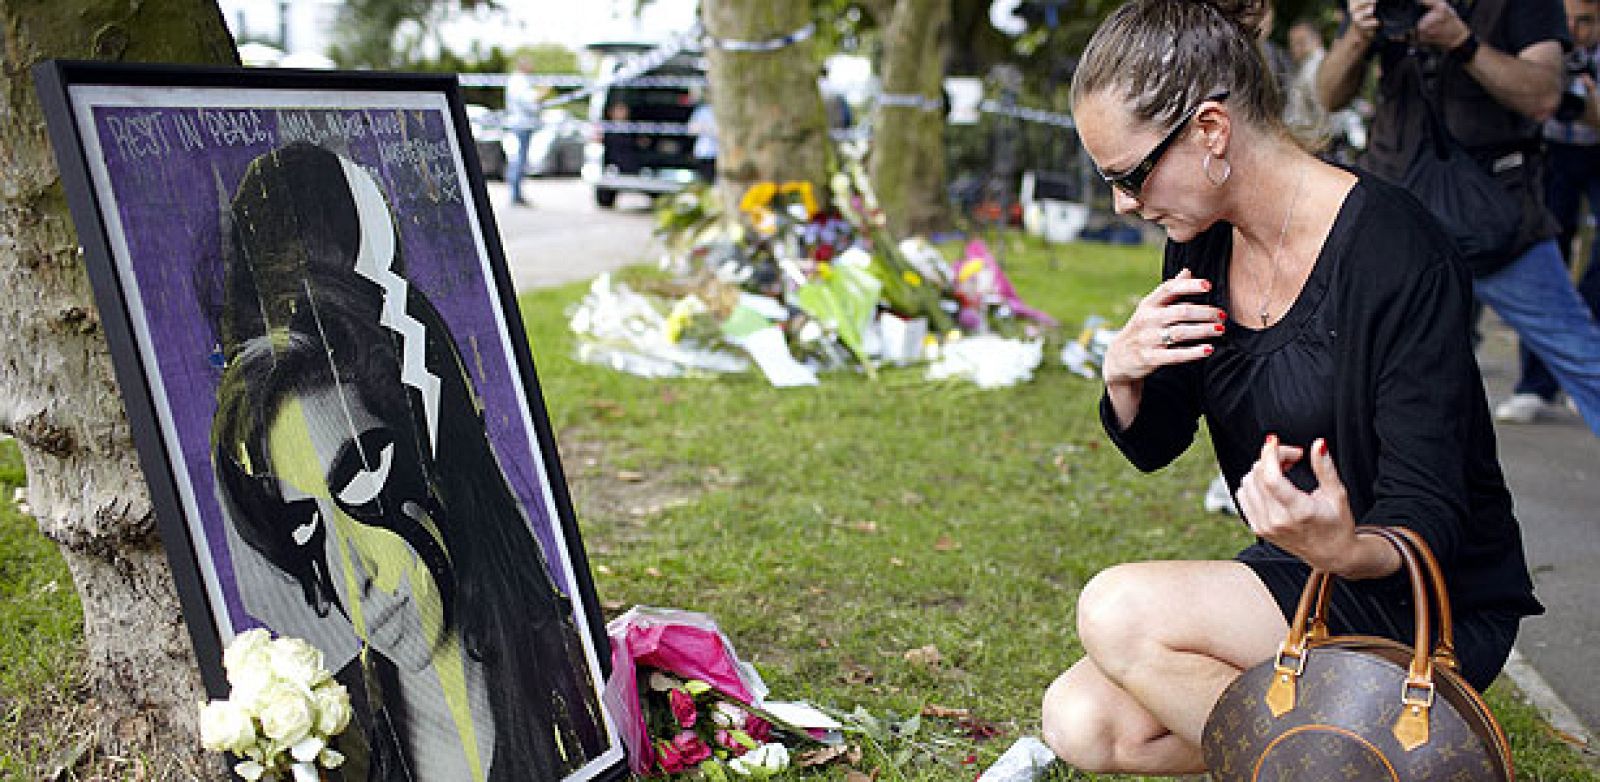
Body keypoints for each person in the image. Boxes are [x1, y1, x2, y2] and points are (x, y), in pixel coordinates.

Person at [1039, 1, 1542, 775]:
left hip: (1419, 589)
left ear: (1210, 131)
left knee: (1118, 611)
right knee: (1081, 721)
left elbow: (1432, 507)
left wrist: (1347, 546)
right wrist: (1125, 377)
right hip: (1310, 576)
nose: (1123, 206)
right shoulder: (1201, 243)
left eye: (1130, 177)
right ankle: (1343, 762)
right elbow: (1159, 441)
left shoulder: (1395, 249)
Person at [210, 142, 610, 780]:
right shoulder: (331, 743)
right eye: (307, 527)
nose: (353, 578)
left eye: (362, 477)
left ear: (432, 454)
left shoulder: (577, 691)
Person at [1318, 0, 1600, 438]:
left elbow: (1544, 94)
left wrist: (1462, 41)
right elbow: (1328, 95)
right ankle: (1278, 475)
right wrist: (1357, 33)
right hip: (1395, 215)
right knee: (1336, 357)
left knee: (1584, 358)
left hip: (1497, 219)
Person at [1499, 0, 1600, 423]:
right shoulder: (1539, 40)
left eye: (1586, 22)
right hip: (1549, 156)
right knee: (1542, 256)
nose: (1574, 30)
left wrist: (1579, 100)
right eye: (1569, 20)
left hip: (1596, 153)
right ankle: (1536, 384)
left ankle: (1577, 363)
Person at [503, 54, 544, 206]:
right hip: (521, 124)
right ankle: (515, 193)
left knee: (520, 158)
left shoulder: (519, 80)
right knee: (519, 158)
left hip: (522, 123)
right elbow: (528, 101)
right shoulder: (519, 81)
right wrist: (540, 95)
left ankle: (517, 192)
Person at [1284, 20, 1331, 140]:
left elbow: (1323, 111)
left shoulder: (1315, 67)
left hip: (1314, 141)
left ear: (1317, 40)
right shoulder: (1309, 65)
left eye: (1301, 42)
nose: (1295, 48)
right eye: (1293, 43)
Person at [687, 86, 718, 183]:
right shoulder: (702, 110)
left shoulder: (720, 111)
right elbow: (691, 129)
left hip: (716, 153)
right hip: (703, 152)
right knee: (704, 180)